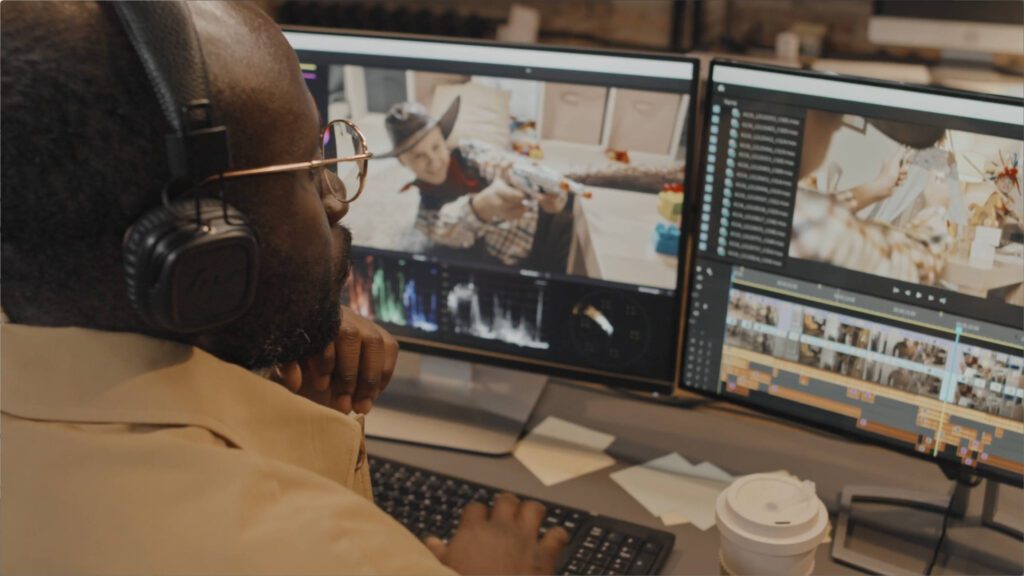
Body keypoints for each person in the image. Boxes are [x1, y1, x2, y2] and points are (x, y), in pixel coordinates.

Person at [0, 3, 567, 574]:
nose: (337, 199)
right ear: (202, 252)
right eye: (310, 168)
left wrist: (260, 342)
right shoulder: (320, 554)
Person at [382, 99, 575, 273]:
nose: (434, 161)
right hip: (525, 261)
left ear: (443, 138)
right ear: (402, 162)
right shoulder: (425, 217)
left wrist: (544, 189)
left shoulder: (468, 151)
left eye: (436, 147)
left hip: (547, 219)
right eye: (418, 156)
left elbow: (500, 163)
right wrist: (482, 206)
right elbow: (448, 228)